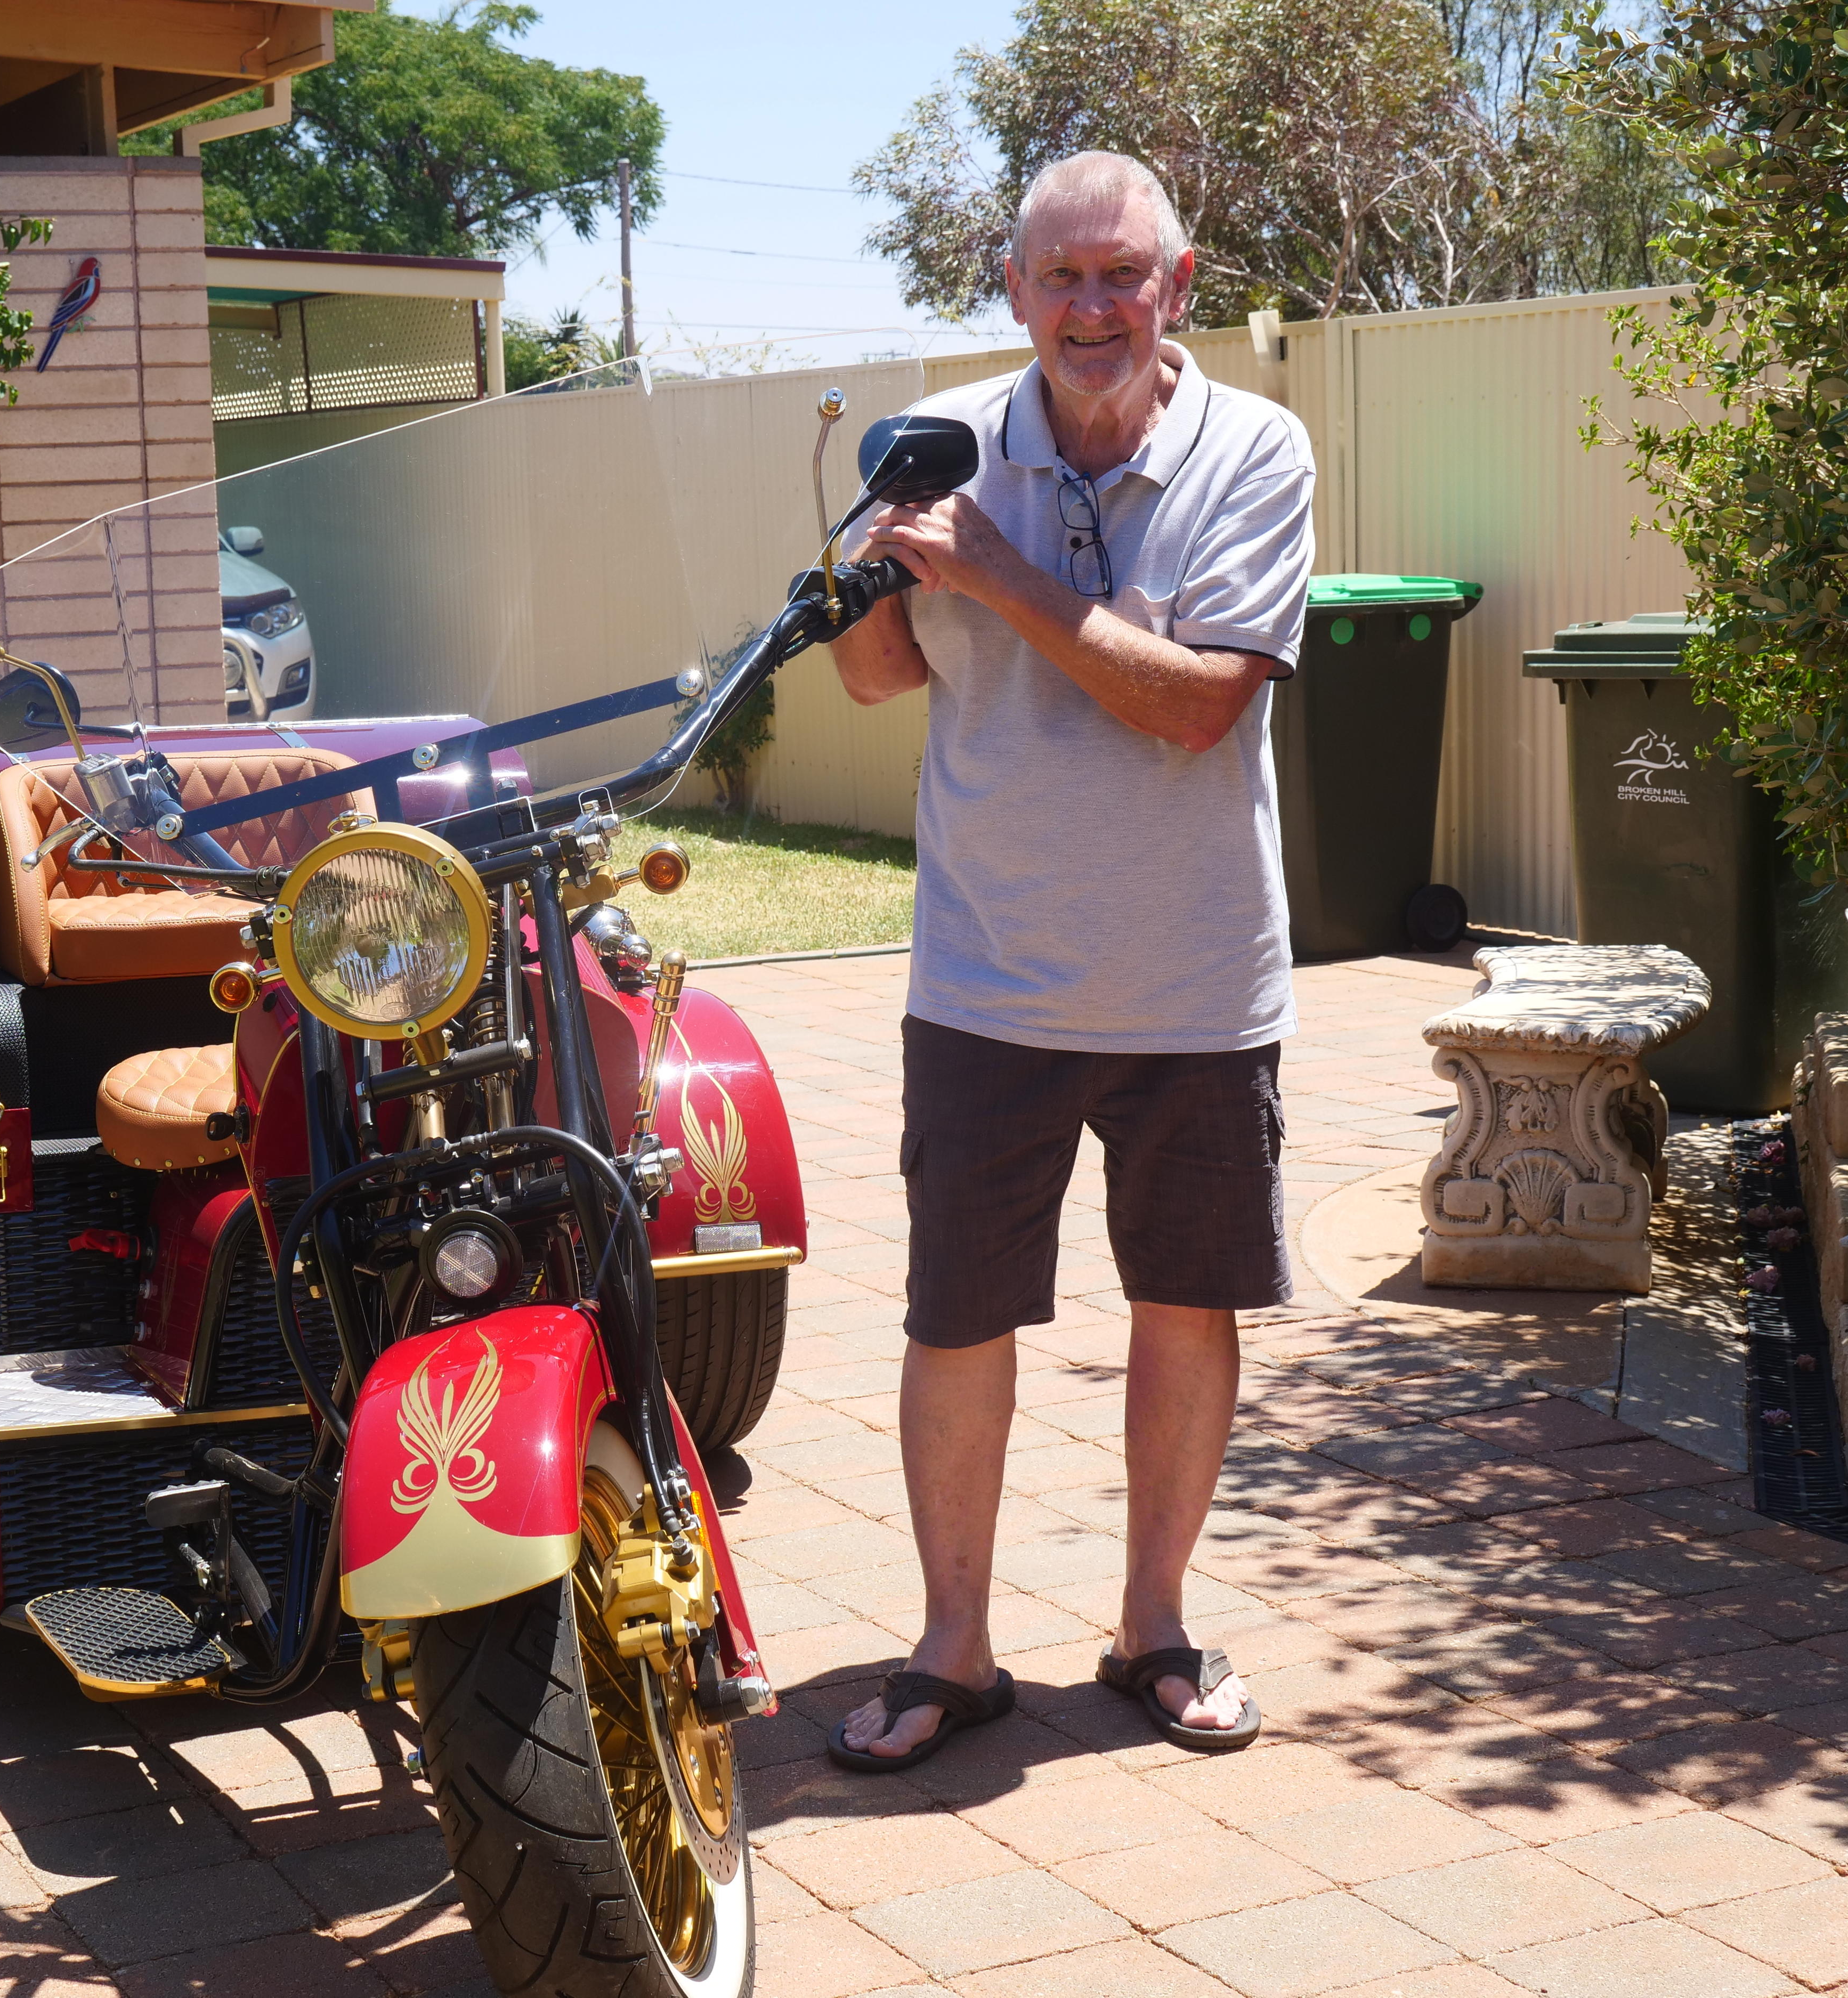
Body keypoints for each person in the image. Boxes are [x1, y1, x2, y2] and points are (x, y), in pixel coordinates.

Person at [824, 150, 1314, 1768]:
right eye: (1061, 277)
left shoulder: (1257, 447)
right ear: (1015, 288)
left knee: (1188, 1302)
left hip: (1194, 979)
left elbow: (1194, 706)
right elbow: (882, 683)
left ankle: (1152, 1630)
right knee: (958, 1312)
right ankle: (952, 1650)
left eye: (1123, 276)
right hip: (988, 974)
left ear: (1179, 286)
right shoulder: (945, 444)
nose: (1091, 307)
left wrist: (992, 572)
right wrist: (861, 584)